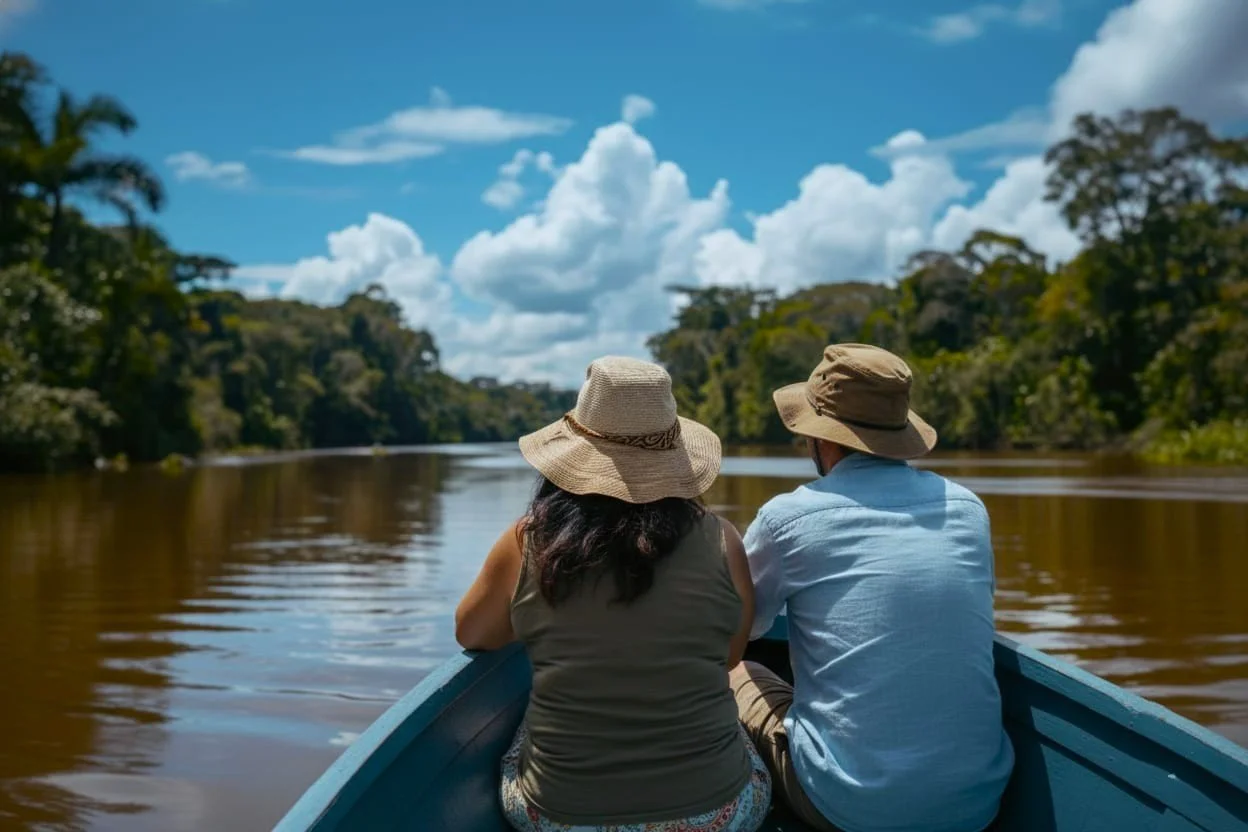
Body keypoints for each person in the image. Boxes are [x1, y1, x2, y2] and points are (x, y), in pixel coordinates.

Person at [455, 356, 772, 832]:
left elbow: (472, 633)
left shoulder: (526, 541)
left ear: (571, 452)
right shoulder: (723, 540)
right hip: (714, 816)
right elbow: (728, 658)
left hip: (561, 819)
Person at [732, 343, 1015, 832]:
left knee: (738, 671)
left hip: (849, 808)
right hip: (977, 804)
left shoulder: (789, 518)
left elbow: (744, 627)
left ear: (823, 439)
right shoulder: (969, 509)